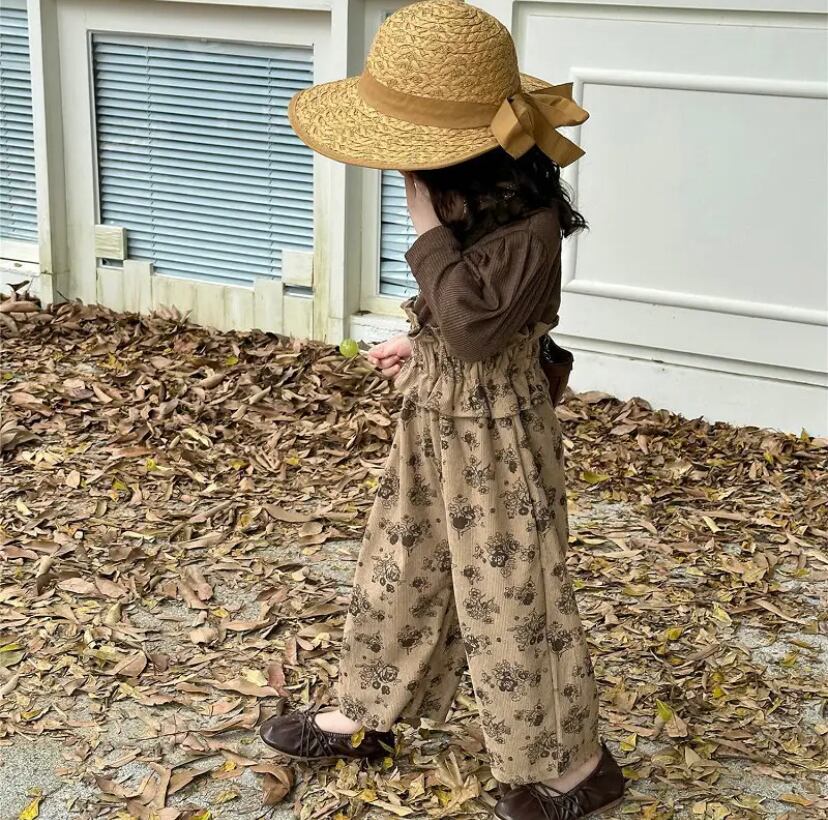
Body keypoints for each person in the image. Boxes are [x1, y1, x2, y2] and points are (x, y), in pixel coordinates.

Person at [260, 1, 626, 817]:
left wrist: (422, 217)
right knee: (402, 565)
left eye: (409, 157)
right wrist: (417, 341)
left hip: (497, 439)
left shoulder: (528, 227)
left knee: (513, 593)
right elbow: (460, 318)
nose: (400, 171)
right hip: (434, 417)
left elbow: (475, 324)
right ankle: (367, 713)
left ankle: (576, 768)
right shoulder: (479, 204)